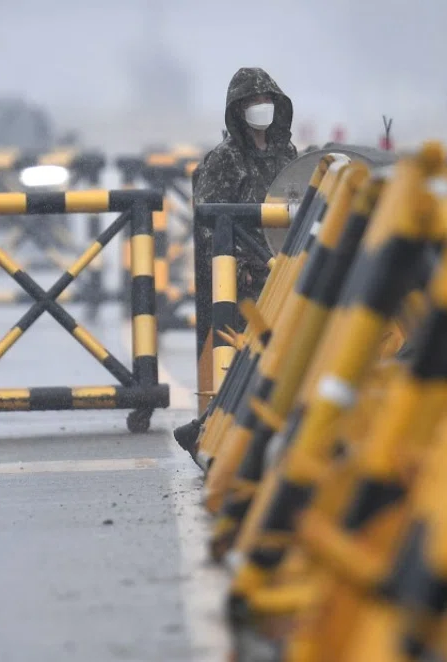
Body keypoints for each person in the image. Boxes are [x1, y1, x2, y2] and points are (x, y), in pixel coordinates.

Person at [176, 67, 298, 461]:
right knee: (250, 355)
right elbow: (209, 220)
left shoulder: (287, 154)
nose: (260, 109)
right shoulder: (225, 159)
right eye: (251, 102)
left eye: (266, 101)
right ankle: (210, 427)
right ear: (237, 110)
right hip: (245, 275)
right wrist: (238, 266)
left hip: (285, 266)